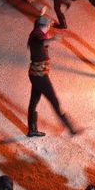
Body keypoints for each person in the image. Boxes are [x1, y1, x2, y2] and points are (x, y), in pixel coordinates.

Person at [25, 8, 77, 137]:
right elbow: (41, 42)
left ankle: (32, 129)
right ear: (47, 26)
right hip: (40, 76)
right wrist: (53, 39)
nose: (50, 26)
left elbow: (38, 21)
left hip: (36, 74)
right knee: (54, 100)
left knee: (33, 102)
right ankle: (70, 128)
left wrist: (41, 13)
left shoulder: (36, 29)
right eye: (49, 25)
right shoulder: (36, 39)